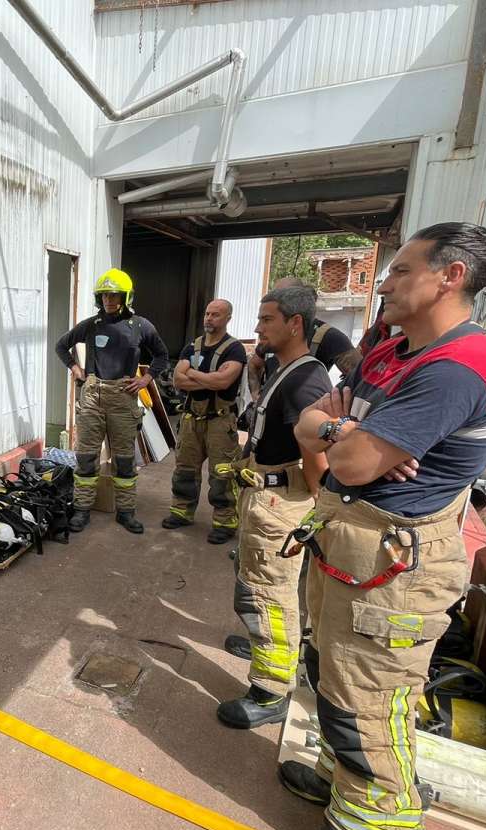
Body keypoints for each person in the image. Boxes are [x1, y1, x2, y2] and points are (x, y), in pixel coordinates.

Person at [277, 223, 486, 830]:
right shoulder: (392, 350)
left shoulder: (462, 365)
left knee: (369, 697)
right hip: (350, 545)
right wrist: (340, 427)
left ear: (450, 277)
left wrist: (344, 436)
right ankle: (340, 784)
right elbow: (315, 425)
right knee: (333, 675)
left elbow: (350, 463)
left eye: (402, 270)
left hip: (393, 568)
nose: (383, 282)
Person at [216, 285, 331, 729]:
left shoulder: (306, 381)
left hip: (281, 504)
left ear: (295, 323)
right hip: (265, 497)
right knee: (256, 586)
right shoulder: (287, 370)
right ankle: (263, 650)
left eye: (266, 320)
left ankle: (270, 691)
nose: (258, 328)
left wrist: (319, 509)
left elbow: (315, 454)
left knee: (269, 595)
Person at [54, 268, 170, 534]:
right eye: (104, 295)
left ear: (126, 297)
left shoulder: (140, 326)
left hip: (123, 398)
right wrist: (75, 368)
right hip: (92, 397)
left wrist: (146, 379)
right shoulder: (91, 325)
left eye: (114, 295)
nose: (109, 300)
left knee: (125, 459)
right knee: (86, 457)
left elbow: (161, 355)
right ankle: (82, 510)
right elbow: (61, 345)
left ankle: (126, 512)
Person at [162, 299, 247, 543]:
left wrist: (192, 373)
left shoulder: (234, 349)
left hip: (220, 421)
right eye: (207, 313)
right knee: (185, 469)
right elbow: (178, 380)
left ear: (228, 318)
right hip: (191, 419)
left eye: (216, 314)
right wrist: (209, 379)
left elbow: (223, 382)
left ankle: (225, 522)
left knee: (222, 474)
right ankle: (181, 512)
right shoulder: (192, 346)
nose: (209, 318)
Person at [247, 277, 362, 404]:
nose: (258, 329)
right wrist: (257, 397)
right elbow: (254, 365)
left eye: (282, 296)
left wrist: (330, 402)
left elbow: (360, 378)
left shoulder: (328, 336)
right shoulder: (271, 337)